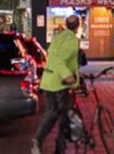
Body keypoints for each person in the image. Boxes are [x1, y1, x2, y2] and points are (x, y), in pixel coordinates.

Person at [30, 15, 81, 154]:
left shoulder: (58, 37)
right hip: (60, 83)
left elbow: (53, 57)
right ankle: (58, 148)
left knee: (52, 113)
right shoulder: (72, 40)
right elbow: (59, 60)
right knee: (64, 116)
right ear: (78, 26)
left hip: (48, 81)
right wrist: (68, 76)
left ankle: (38, 140)